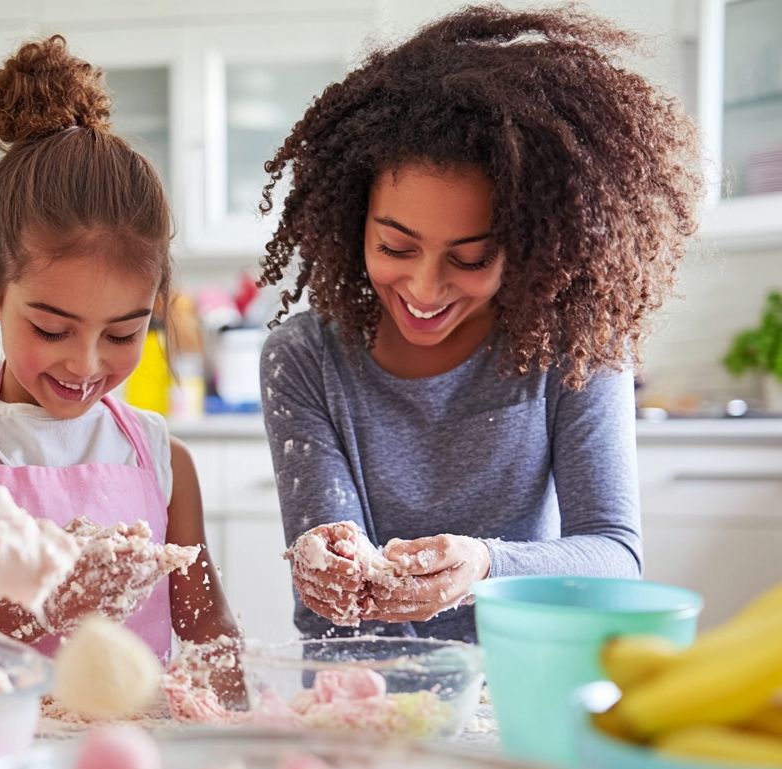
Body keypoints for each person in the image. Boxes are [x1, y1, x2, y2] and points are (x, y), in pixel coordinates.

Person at [257, 5, 704, 643]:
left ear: (526, 243)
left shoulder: (573, 349)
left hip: (526, 678)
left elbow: (615, 557)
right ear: (355, 219)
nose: (424, 288)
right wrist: (326, 564)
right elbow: (332, 602)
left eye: (470, 258)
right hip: (366, 701)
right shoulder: (303, 358)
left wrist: (485, 565)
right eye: (395, 247)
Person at [0, 36, 242, 664]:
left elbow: (208, 631)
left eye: (123, 334)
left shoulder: (161, 462)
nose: (87, 364)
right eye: (51, 329)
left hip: (129, 758)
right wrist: (42, 604)